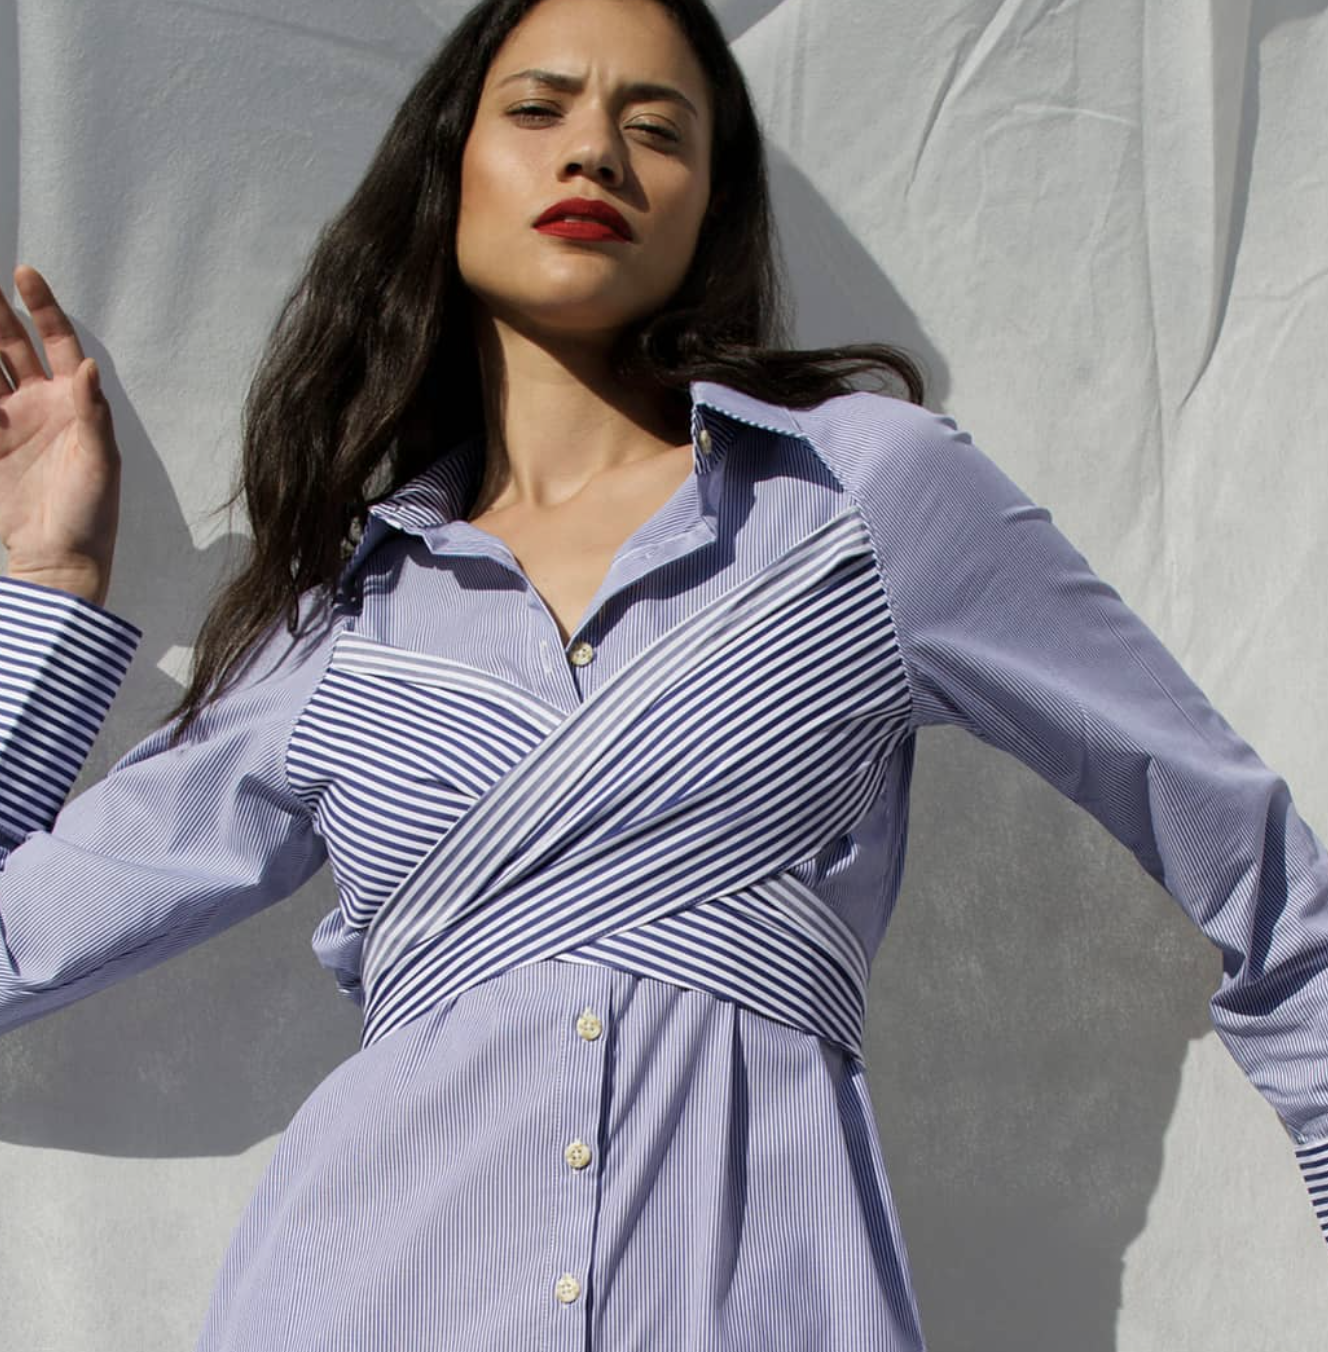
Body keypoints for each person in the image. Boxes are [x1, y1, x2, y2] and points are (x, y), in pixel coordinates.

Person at [0, 0, 1323, 1346]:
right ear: (450, 169)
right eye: (539, 109)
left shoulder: (862, 500)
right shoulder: (341, 625)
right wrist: (47, 589)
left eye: (657, 129)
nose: (594, 153)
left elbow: (1255, 862)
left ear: (710, 210)